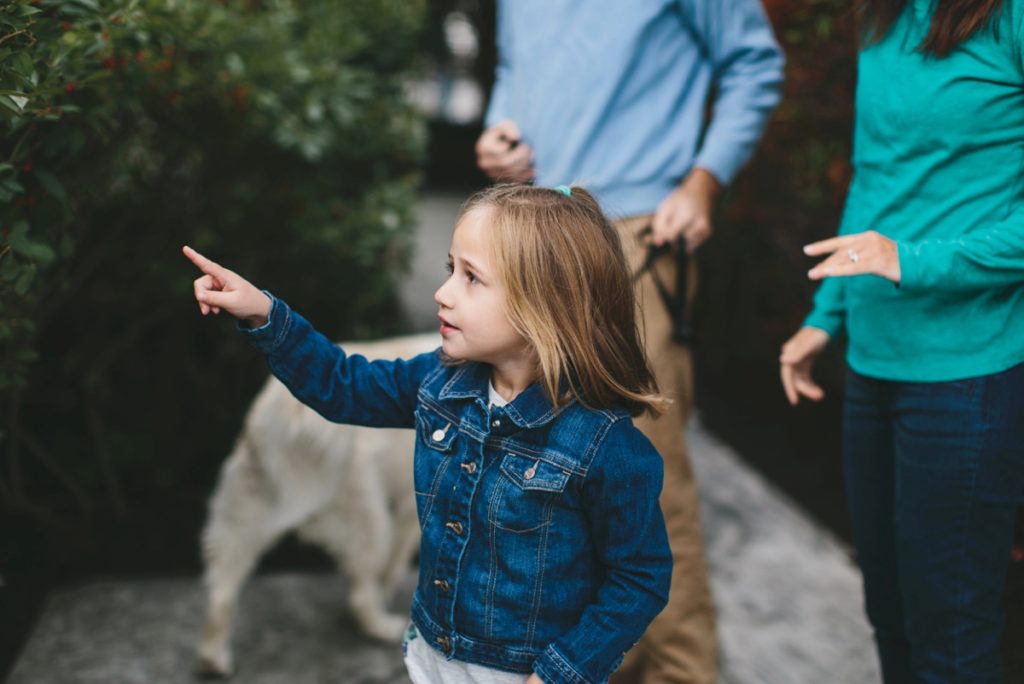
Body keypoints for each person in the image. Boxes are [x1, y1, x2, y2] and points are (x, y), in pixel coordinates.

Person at [183, 184, 673, 684]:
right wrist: (264, 313)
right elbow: (343, 384)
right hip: (430, 656)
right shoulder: (441, 381)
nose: (443, 293)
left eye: (472, 278)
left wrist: (562, 671)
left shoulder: (605, 446)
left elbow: (639, 580)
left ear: (543, 306)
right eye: (450, 270)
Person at [474, 3, 785, 682]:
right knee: (546, 477)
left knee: (643, 481)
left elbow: (753, 61)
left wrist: (703, 181)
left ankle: (681, 671)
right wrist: (498, 130)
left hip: (633, 234)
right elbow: (513, 68)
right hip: (529, 230)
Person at [779, 0, 1024, 681]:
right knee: (891, 622)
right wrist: (823, 318)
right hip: (873, 366)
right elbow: (875, 181)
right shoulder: (883, 16)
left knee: (952, 639)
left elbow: (896, 245)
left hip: (968, 372)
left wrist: (912, 260)